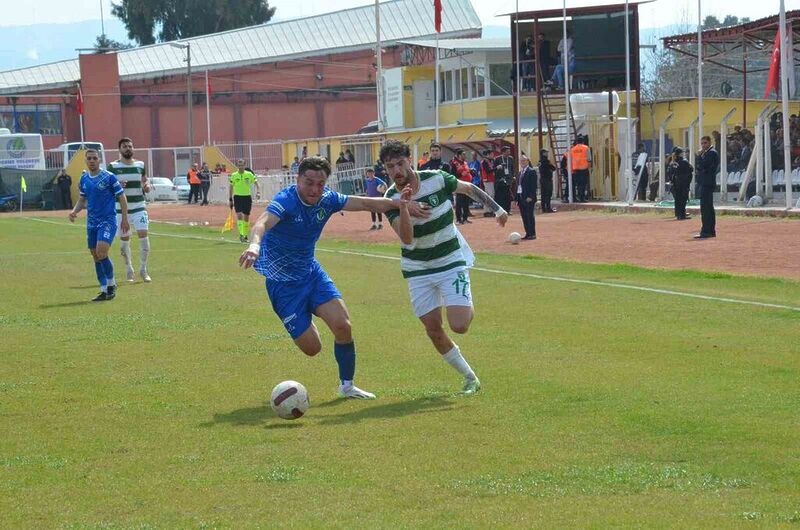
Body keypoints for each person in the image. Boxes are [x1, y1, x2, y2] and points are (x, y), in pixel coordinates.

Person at [237, 156, 429, 399]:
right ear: (298, 179)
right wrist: (254, 246)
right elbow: (262, 223)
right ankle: (303, 315)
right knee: (312, 348)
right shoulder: (286, 200)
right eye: (309, 182)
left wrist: (399, 203)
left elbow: (366, 204)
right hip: (283, 285)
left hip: (311, 273)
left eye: (320, 183)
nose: (315, 189)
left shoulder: (328, 199)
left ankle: (347, 386)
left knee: (343, 326)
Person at [379, 140, 508, 395]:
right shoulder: (390, 198)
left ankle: (463, 296)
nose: (396, 171)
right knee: (433, 329)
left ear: (410, 160)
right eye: (390, 166)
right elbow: (406, 238)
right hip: (418, 268)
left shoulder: (437, 178)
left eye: (400, 163)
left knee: (459, 324)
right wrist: (403, 207)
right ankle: (470, 378)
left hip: (450, 259)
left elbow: (469, 188)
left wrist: (497, 209)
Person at [69, 149, 129, 302]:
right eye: (89, 158)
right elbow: (82, 200)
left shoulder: (109, 177)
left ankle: (111, 284)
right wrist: (74, 211)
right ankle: (103, 289)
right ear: (86, 161)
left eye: (94, 158)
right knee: (95, 256)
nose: (92, 161)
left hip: (107, 221)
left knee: (102, 252)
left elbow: (121, 197)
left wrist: (124, 218)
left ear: (99, 160)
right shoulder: (84, 179)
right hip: (91, 223)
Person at [108, 137, 152, 283]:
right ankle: (129, 269)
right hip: (121, 210)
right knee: (124, 240)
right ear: (119, 150)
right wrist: (117, 185)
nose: (128, 148)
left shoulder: (140, 164)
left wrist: (146, 186)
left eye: (130, 146)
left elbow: (145, 180)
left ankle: (143, 269)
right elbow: (107, 186)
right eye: (125, 146)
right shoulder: (113, 167)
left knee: (144, 237)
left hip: (139, 206)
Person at [694, 135, 719, 239]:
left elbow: (703, 166)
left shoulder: (711, 153)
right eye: (702, 143)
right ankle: (709, 230)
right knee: (707, 207)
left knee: (706, 208)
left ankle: (706, 231)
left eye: (705, 143)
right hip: (705, 182)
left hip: (707, 183)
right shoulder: (707, 153)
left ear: (709, 142)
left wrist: (699, 157)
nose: (703, 145)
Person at [229, 158, 256, 243]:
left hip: (247, 197)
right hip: (237, 197)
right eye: (239, 165)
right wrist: (230, 198)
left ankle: (245, 235)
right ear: (237, 166)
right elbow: (231, 187)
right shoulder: (234, 175)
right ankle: (241, 234)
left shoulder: (249, 174)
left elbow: (256, 183)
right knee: (239, 215)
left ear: (245, 165)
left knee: (246, 217)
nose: (240, 166)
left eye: (242, 165)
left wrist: (258, 191)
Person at [668, 146, 693, 220]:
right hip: (683, 182)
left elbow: (670, 172)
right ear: (680, 153)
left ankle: (678, 213)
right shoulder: (683, 161)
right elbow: (691, 169)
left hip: (676, 182)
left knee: (678, 199)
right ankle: (682, 214)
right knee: (683, 198)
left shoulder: (673, 162)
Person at [450, 148, 473, 224]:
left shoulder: (465, 163)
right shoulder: (454, 163)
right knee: (459, 202)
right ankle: (458, 219)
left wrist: (472, 172)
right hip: (459, 184)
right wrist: (460, 174)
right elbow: (452, 174)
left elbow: (467, 171)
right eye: (463, 154)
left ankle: (465, 218)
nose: (465, 155)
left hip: (467, 184)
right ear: (459, 155)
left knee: (466, 202)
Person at [517, 157, 538, 239]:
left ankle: (532, 234)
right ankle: (527, 233)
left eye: (524, 160)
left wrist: (531, 196)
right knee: (524, 216)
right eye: (521, 161)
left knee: (530, 216)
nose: (522, 162)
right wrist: (517, 198)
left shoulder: (531, 171)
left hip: (528, 198)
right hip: (521, 197)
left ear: (528, 161)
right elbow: (518, 186)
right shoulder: (520, 173)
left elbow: (534, 186)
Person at [493, 145, 515, 214]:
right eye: (507, 151)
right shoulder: (497, 159)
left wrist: (513, 176)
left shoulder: (511, 159)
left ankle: (507, 210)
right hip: (500, 180)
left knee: (508, 196)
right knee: (500, 197)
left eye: (509, 151)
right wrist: (498, 168)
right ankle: (500, 211)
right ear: (503, 152)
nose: (509, 153)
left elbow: (512, 168)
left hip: (508, 180)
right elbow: (494, 169)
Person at [570, 137, 591, 202]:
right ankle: (582, 197)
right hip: (584, 168)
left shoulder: (572, 149)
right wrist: (589, 167)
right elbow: (589, 158)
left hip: (576, 169)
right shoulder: (586, 148)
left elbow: (571, 159)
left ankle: (579, 197)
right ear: (583, 141)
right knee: (583, 184)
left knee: (578, 184)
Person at [480, 150, 496, 217]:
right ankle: (487, 211)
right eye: (492, 154)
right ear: (488, 155)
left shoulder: (489, 161)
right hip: (487, 180)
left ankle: (489, 210)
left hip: (490, 180)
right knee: (490, 195)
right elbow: (488, 171)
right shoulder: (484, 162)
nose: (493, 156)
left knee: (490, 195)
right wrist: (496, 168)